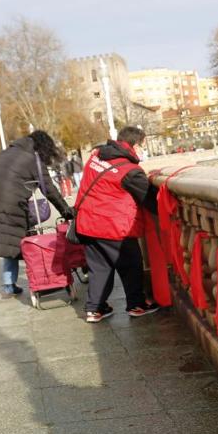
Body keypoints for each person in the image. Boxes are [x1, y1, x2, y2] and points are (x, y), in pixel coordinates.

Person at [75, 126, 158, 323]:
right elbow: (150, 199)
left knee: (99, 268)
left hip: (87, 223)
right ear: (135, 145)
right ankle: (136, 305)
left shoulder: (97, 156)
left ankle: (95, 309)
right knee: (131, 265)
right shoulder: (130, 171)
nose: (142, 151)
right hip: (113, 227)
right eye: (142, 146)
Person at [0, 130, 73, 298]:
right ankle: (43, 276)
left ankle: (9, 283)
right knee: (22, 240)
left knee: (10, 240)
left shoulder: (8, 152)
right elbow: (49, 189)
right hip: (10, 203)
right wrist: (66, 210)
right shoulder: (33, 159)